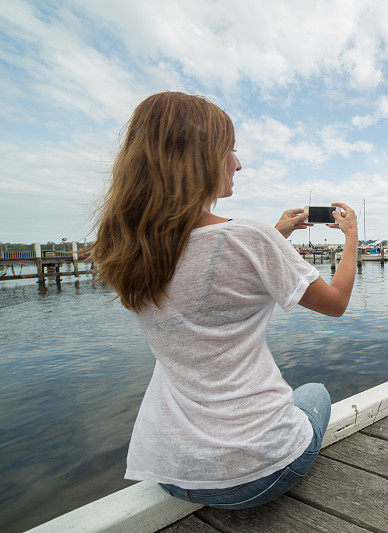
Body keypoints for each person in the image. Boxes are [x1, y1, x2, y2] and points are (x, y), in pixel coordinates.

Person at [90, 92, 358, 509]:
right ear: (197, 157)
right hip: (255, 474)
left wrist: (276, 234)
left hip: (169, 470)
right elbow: (336, 302)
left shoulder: (131, 251)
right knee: (315, 393)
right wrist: (351, 237)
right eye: (229, 149)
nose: (238, 163)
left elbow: (212, 272)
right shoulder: (249, 237)